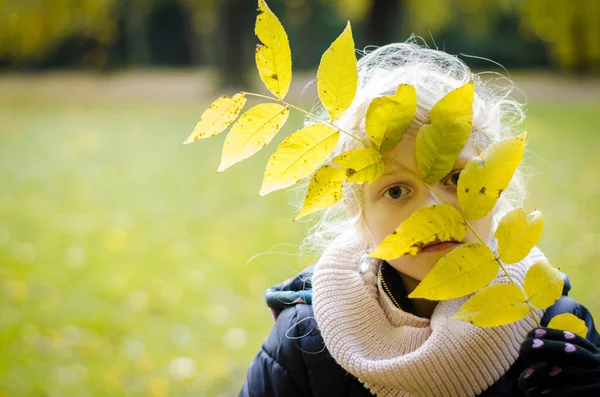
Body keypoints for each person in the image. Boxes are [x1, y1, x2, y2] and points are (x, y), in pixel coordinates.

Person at [238, 41, 600, 397]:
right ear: (357, 213)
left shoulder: (554, 331)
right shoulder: (307, 340)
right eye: (395, 191)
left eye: (457, 179)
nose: (433, 210)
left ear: (498, 184)